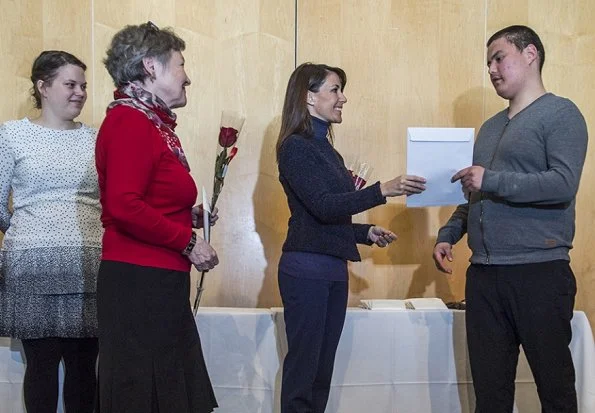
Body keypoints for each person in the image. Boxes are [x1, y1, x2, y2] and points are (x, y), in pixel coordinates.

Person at [433, 25, 588, 413]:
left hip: (539, 272)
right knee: (490, 394)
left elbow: (563, 184)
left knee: (555, 391)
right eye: (488, 63)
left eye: (499, 58)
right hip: (484, 276)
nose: (492, 69)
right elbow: (477, 193)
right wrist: (449, 233)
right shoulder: (488, 128)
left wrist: (491, 178)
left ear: (530, 54)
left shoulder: (561, 113)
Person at [276, 62, 427, 413]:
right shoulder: (295, 147)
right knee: (303, 376)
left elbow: (323, 216)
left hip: (331, 270)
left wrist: (364, 232)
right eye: (335, 89)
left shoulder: (328, 150)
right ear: (309, 98)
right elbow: (323, 206)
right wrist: (383, 190)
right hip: (306, 270)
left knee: (320, 376)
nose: (343, 98)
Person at [95, 22, 218, 413]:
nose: (188, 77)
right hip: (138, 283)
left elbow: (147, 200)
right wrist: (188, 241)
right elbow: (124, 205)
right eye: (180, 65)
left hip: (155, 280)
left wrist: (189, 216)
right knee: (142, 395)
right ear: (151, 67)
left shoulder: (151, 122)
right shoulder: (130, 121)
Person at [0, 50, 100, 413]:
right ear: (43, 87)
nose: (80, 92)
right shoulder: (11, 135)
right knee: (40, 368)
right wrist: (37, 234)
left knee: (84, 368)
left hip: (89, 265)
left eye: (83, 86)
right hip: (31, 266)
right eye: (70, 84)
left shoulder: (97, 138)